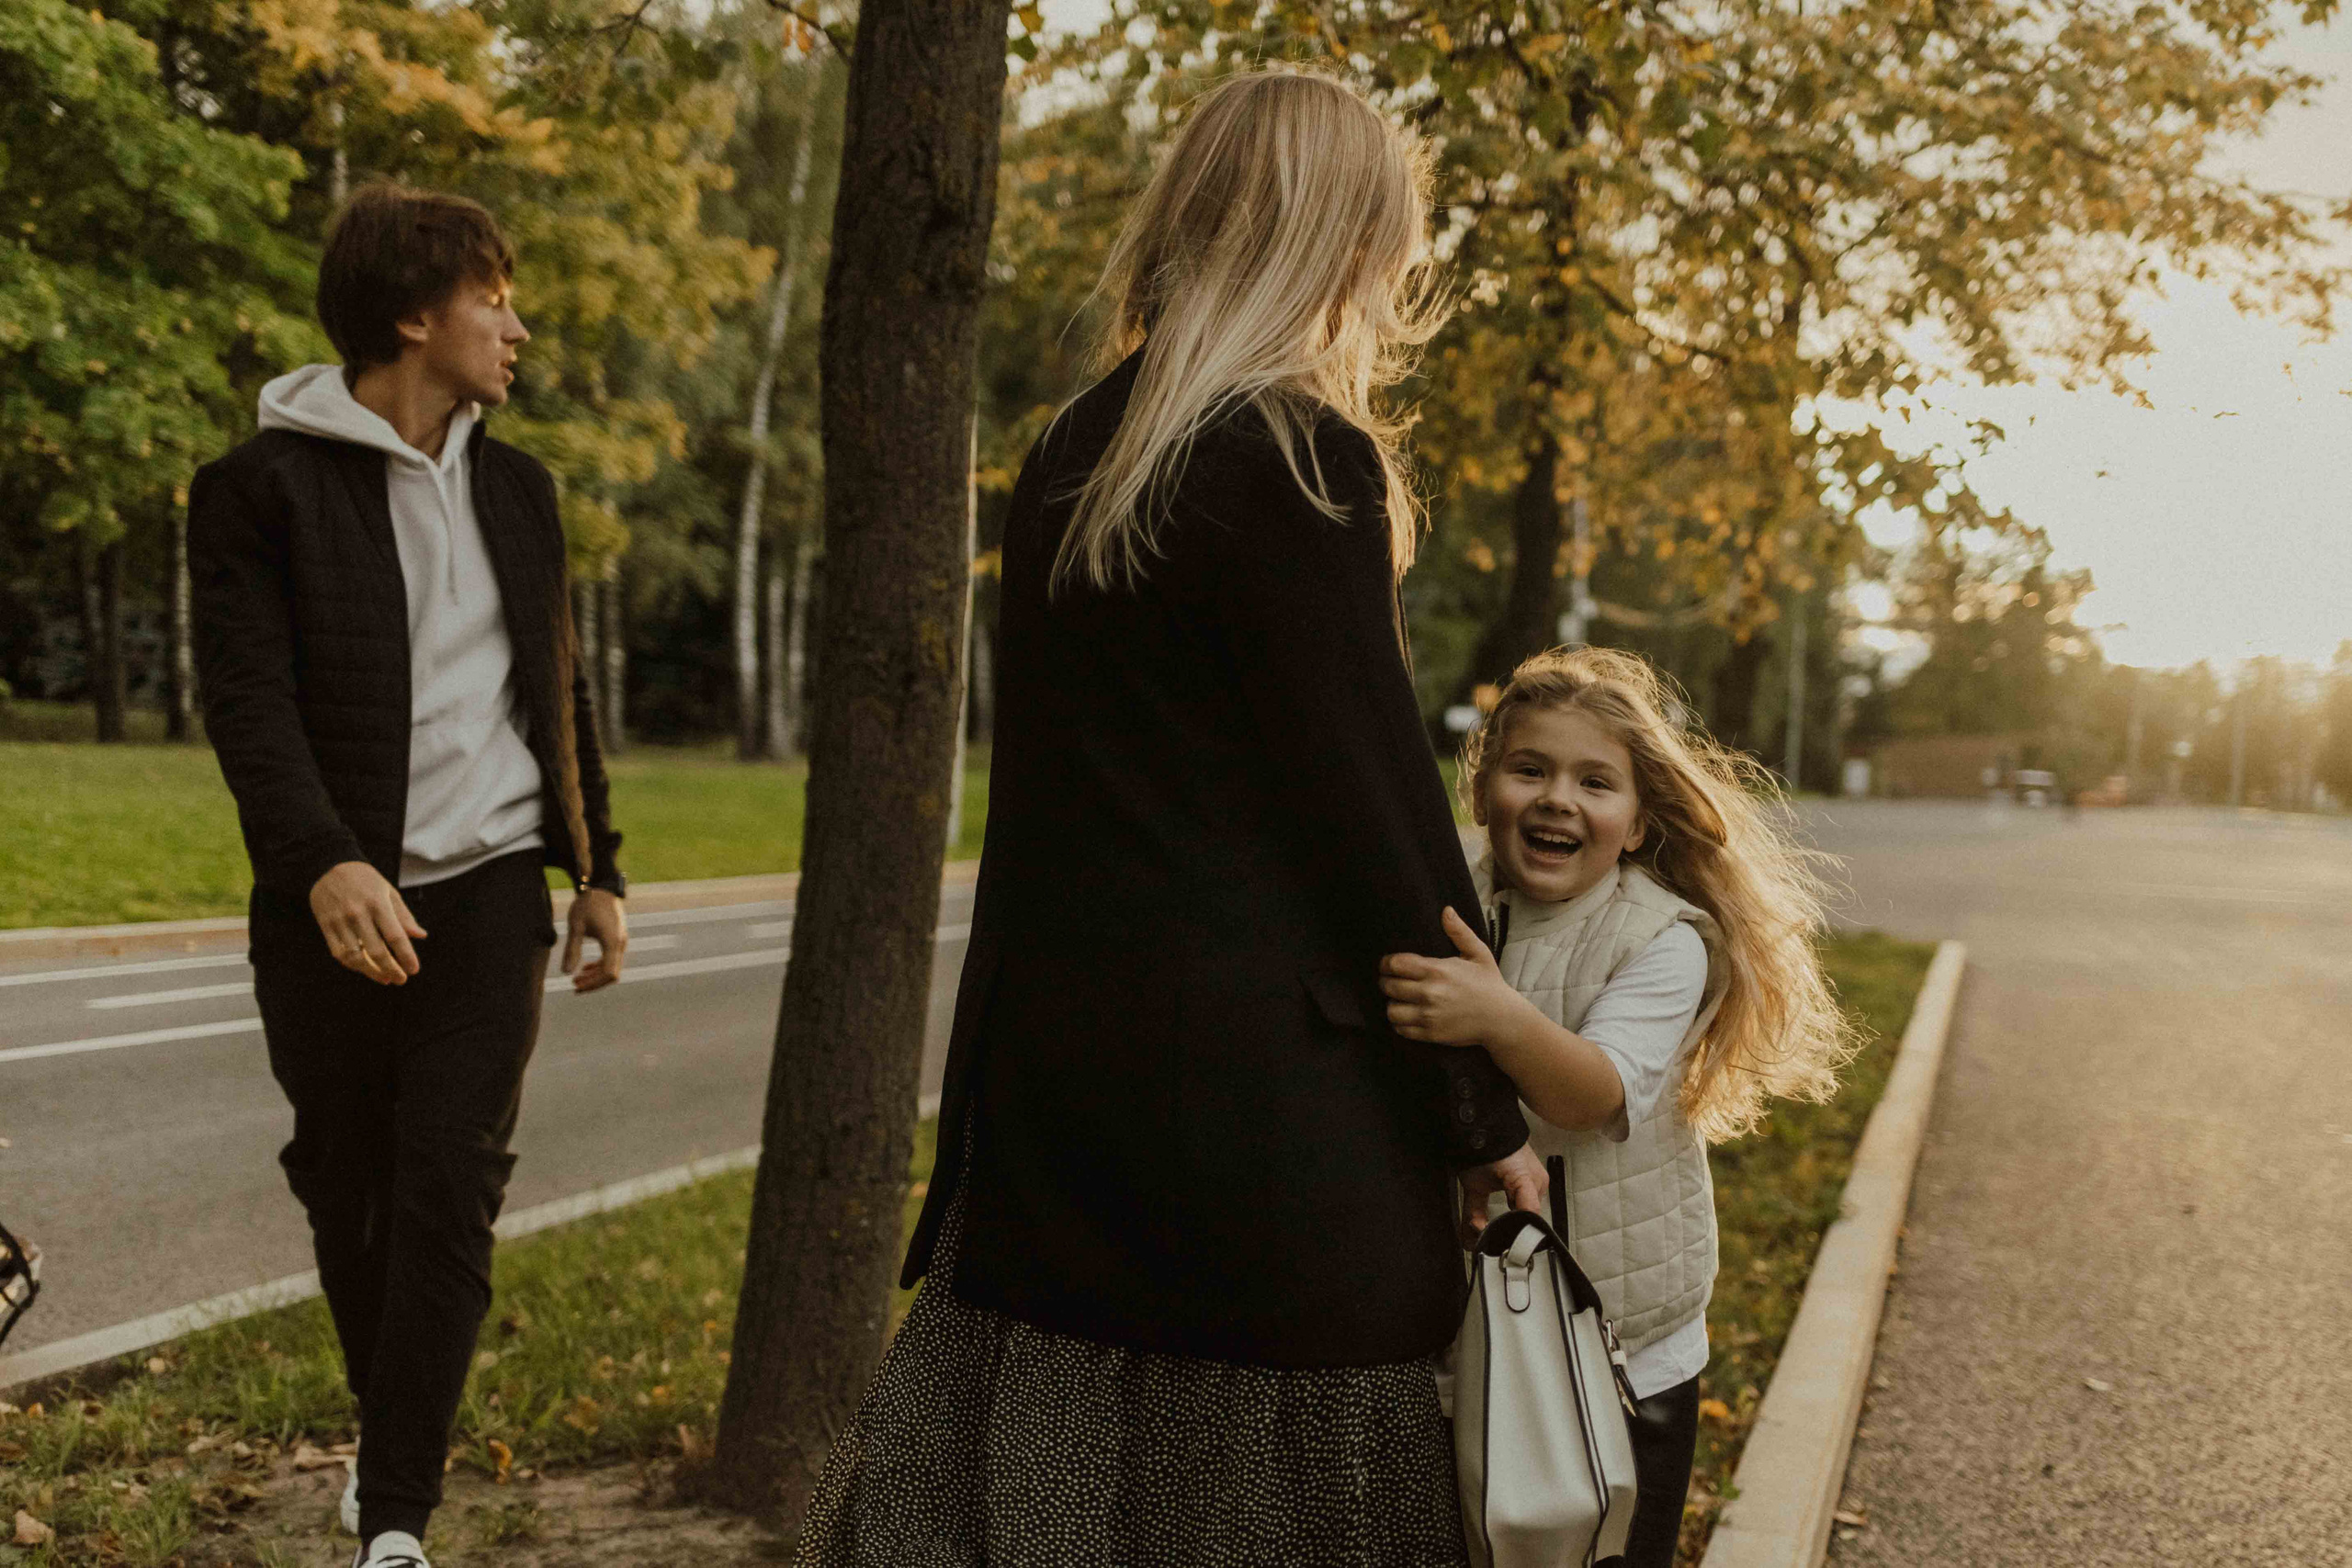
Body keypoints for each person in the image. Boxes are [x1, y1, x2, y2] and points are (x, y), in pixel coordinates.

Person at [795, 68, 1543, 1567]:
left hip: (1064, 1103)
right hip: (1265, 1138)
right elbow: (1378, 823)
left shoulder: (1076, 452)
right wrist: (1486, 1116)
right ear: (1343, 242)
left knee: (1061, 1510)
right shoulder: (1296, 458)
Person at [189, 183, 628, 1568]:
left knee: (451, 1182)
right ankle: (394, 1444)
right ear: (409, 314)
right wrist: (323, 864)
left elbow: (560, 686)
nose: (517, 323)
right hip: (332, 901)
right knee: (347, 1177)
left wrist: (600, 867)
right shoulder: (256, 490)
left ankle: (394, 1521)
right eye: (493, 295)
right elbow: (247, 703)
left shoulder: (519, 486)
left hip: (492, 882)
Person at [1378, 646, 1854, 1568]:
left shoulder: (1663, 941)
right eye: (1530, 769)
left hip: (1627, 1352)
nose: (1560, 798)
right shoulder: (1454, 907)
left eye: (1596, 782)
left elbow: (1594, 1092)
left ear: (1637, 826)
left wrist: (1495, 1013)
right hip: (1473, 1335)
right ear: (1485, 795)